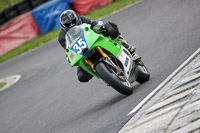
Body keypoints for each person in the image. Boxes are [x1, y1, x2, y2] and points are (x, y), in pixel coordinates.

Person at [58, 9, 136, 82]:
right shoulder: (62, 37)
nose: (72, 25)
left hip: (93, 40)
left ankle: (125, 44)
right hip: (82, 52)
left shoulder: (83, 19)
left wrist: (98, 27)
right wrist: (69, 57)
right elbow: (68, 49)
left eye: (73, 22)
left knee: (109, 26)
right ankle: (103, 74)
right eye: (69, 25)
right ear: (64, 27)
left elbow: (96, 23)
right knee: (81, 76)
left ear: (77, 18)